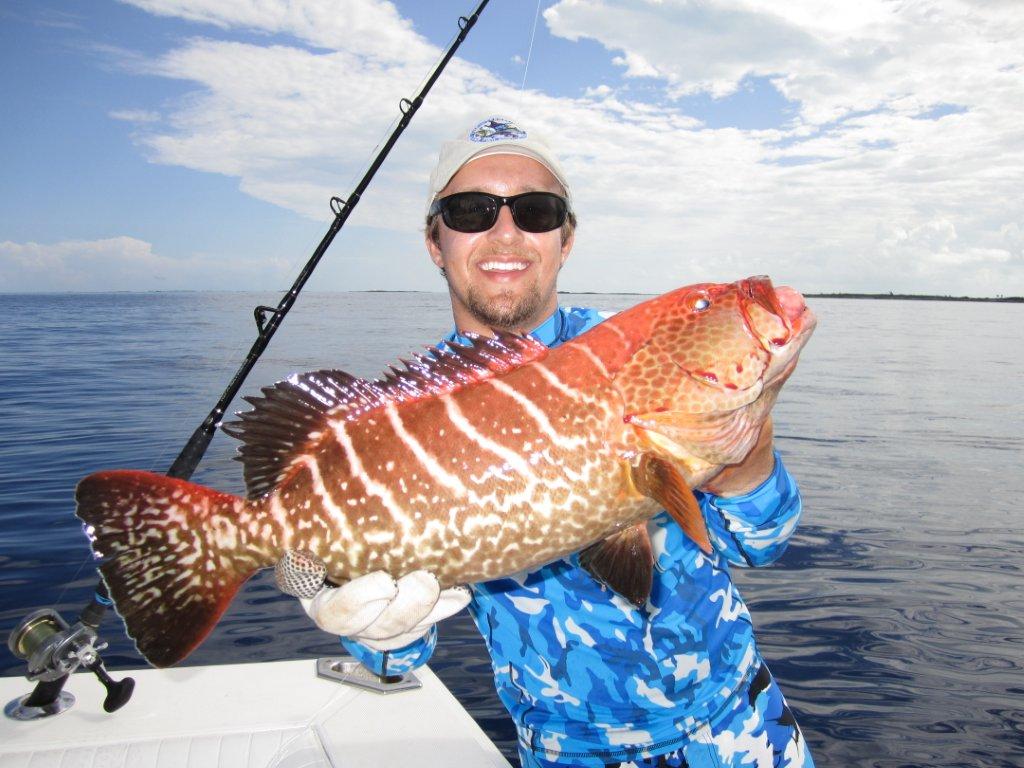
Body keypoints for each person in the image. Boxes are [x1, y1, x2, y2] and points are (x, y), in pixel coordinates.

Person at [293, 116, 815, 768]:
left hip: (745, 730)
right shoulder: (404, 422)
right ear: (435, 241)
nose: (505, 232)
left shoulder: (637, 351)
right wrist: (367, 617)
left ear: (564, 240)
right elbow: (396, 660)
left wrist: (744, 441)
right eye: (471, 211)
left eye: (535, 211)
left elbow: (761, 545)